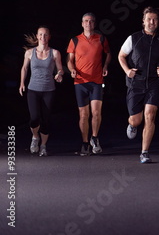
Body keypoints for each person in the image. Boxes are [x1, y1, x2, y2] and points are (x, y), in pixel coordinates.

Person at [118, 6, 159, 163]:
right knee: (136, 120)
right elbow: (121, 56)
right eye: (149, 19)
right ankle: (132, 124)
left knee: (150, 115)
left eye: (154, 19)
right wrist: (127, 70)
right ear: (143, 21)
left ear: (158, 22)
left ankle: (144, 152)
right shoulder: (133, 38)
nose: (152, 22)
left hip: (154, 84)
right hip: (135, 84)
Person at [67, 13, 111, 156]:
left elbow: (109, 54)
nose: (88, 24)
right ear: (82, 23)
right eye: (86, 21)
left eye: (91, 21)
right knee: (83, 114)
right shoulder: (75, 40)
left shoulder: (101, 38)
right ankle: (85, 143)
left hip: (97, 81)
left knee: (97, 112)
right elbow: (69, 60)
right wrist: (72, 69)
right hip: (80, 82)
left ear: (94, 24)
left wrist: (105, 66)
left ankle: (95, 138)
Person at [19, 26, 64, 156]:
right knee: (34, 118)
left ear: (49, 37)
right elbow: (24, 68)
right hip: (33, 89)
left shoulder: (55, 53)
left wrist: (59, 75)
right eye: (40, 35)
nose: (43, 37)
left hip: (49, 90)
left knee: (46, 120)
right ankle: (35, 137)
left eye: (45, 35)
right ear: (37, 36)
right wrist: (22, 83)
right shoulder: (29, 53)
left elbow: (60, 69)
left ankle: (43, 146)